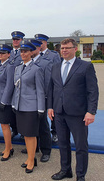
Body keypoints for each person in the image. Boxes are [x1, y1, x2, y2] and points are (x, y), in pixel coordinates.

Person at [48, 38, 99, 181]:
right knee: (63, 144)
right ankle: (66, 170)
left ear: (75, 49)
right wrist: (50, 106)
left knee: (81, 146)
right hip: (59, 112)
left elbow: (93, 91)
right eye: (62, 48)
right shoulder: (56, 66)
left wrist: (91, 111)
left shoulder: (85, 66)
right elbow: (52, 88)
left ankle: (80, 175)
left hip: (78, 114)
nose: (63, 50)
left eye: (67, 48)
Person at [12, 41, 45, 173]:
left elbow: (40, 90)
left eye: (26, 51)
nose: (23, 54)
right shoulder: (18, 68)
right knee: (25, 134)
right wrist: (14, 103)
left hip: (31, 107)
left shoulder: (37, 69)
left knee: (31, 135)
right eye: (21, 51)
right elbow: (17, 88)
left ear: (31, 53)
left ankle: (32, 160)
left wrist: (41, 108)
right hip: (20, 106)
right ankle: (30, 158)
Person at [29, 39, 53, 163]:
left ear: (39, 49)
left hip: (41, 99)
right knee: (32, 125)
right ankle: (35, 147)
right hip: (29, 100)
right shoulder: (26, 62)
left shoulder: (45, 63)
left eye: (33, 49)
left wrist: (47, 101)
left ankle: (46, 150)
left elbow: (48, 83)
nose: (30, 51)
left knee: (43, 126)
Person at [35, 33, 61, 143]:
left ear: (45, 43)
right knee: (40, 115)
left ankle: (54, 132)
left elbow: (57, 72)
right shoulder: (34, 55)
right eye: (37, 43)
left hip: (50, 88)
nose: (39, 45)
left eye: (41, 42)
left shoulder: (53, 55)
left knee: (52, 112)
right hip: (38, 90)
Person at [0, 44, 15, 161]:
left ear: (9, 54)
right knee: (2, 125)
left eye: (3, 53)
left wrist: (4, 101)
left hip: (4, 102)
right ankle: (9, 147)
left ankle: (8, 150)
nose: (0, 55)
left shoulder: (10, 67)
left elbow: (9, 85)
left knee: (5, 126)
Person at [9, 31, 25, 139]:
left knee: (22, 109)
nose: (15, 41)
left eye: (17, 39)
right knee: (11, 109)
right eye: (14, 39)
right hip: (10, 85)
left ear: (21, 40)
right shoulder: (7, 52)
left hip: (22, 84)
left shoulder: (25, 52)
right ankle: (14, 129)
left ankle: (24, 132)